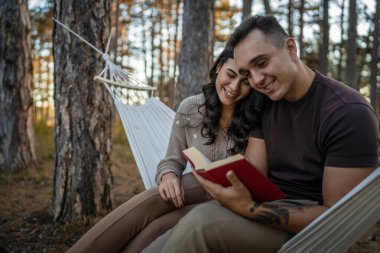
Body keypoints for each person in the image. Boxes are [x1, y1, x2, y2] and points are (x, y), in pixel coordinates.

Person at [142, 15, 380, 253]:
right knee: (166, 235)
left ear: (290, 47)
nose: (256, 80)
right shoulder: (267, 102)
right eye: (247, 73)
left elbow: (337, 219)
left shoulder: (347, 114)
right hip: (260, 207)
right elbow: (254, 174)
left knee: (199, 224)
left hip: (306, 235)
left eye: (262, 62)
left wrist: (250, 209)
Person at [67, 47, 266, 253]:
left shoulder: (254, 117)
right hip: (200, 184)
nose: (234, 86)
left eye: (244, 81)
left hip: (232, 199)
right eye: (230, 74)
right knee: (153, 199)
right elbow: (172, 159)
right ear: (218, 67)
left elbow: (257, 177)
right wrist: (169, 175)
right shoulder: (191, 108)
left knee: (159, 227)